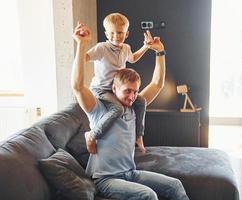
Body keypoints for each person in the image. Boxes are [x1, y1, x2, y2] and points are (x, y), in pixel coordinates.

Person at [72, 23, 190, 200]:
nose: (133, 96)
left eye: (135, 91)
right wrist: (81, 45)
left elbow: (157, 84)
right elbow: (78, 86)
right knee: (148, 195)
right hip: (106, 179)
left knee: (175, 185)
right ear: (114, 87)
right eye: (128, 91)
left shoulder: (134, 106)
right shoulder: (99, 108)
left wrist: (160, 52)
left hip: (130, 172)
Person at [85, 13, 150, 152]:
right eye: (112, 33)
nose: (116, 36)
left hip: (118, 89)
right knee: (117, 109)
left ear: (126, 34)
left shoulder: (126, 48)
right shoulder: (101, 48)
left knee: (141, 101)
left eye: (120, 32)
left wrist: (145, 47)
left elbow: (132, 58)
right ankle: (92, 135)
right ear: (106, 33)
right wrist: (81, 43)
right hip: (102, 89)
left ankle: (139, 136)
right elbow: (85, 57)